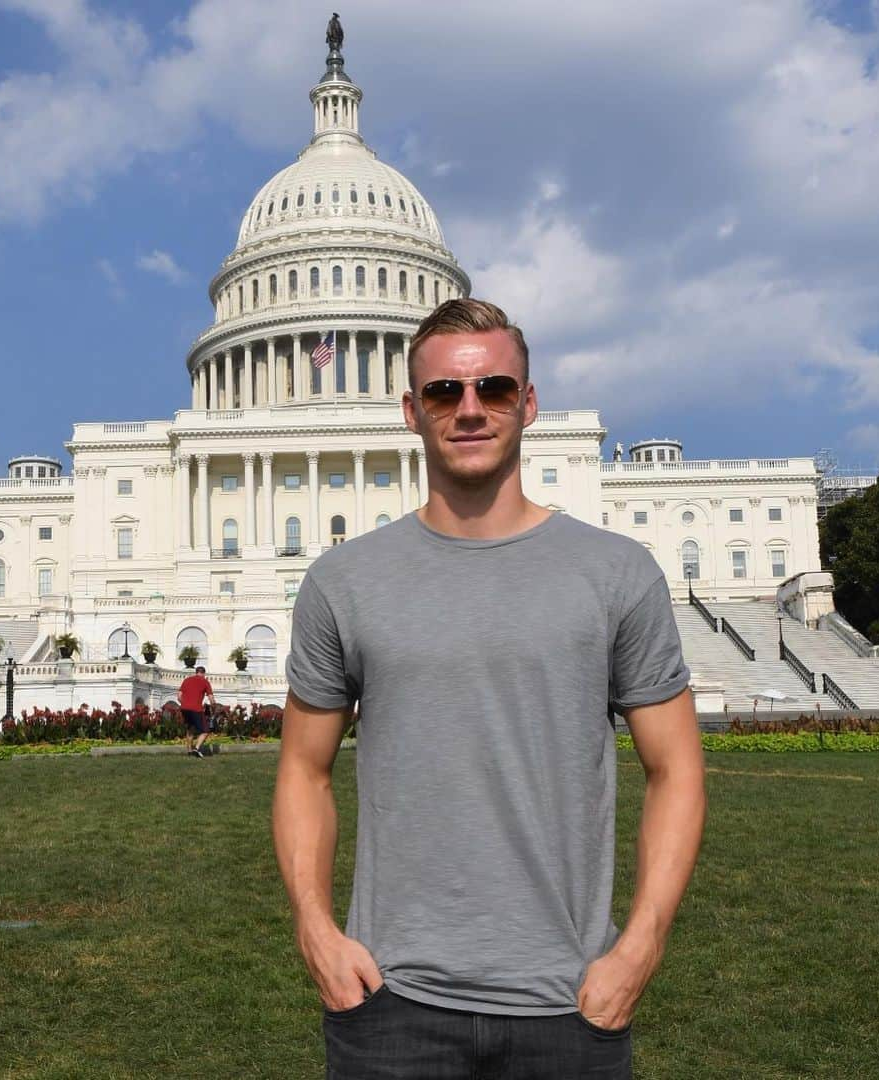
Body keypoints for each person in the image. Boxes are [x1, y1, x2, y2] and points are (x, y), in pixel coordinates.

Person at [273, 298, 707, 1078]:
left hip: (570, 1003)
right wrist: (315, 929)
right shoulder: (344, 581)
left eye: (494, 388)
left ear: (528, 403)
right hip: (390, 1006)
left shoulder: (616, 573)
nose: (469, 409)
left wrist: (640, 947)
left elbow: (676, 770)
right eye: (444, 392)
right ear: (411, 410)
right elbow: (303, 770)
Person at [179, 666, 217, 758]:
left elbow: (179, 696)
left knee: (190, 729)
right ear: (204, 673)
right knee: (205, 731)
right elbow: (211, 698)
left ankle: (189, 751)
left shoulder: (186, 680)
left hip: (184, 708)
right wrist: (213, 708)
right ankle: (196, 749)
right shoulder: (205, 681)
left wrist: (185, 704)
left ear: (196, 672)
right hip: (196, 709)